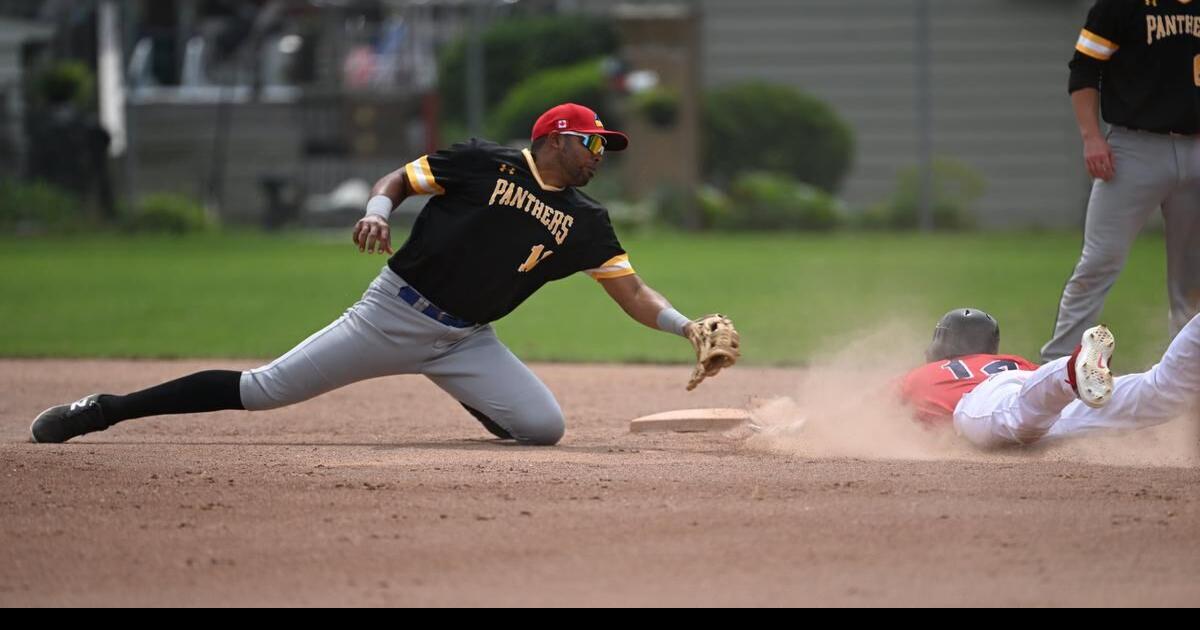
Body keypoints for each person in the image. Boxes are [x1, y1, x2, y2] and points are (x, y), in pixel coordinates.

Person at [30, 103, 740, 447]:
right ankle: (108, 408)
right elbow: (401, 178)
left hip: (467, 339)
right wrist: (376, 209)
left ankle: (466, 387)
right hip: (392, 314)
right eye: (593, 142)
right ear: (556, 137)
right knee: (263, 389)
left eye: (604, 147)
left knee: (543, 430)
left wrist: (685, 327)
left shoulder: (586, 220)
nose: (600, 155)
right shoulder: (482, 162)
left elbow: (633, 292)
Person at [1042, 0, 1200, 362]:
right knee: (1099, 261)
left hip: (1196, 147)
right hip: (1133, 148)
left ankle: (1187, 375)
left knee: (1192, 277)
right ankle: (1055, 368)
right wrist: (1091, 137)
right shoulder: (1120, 4)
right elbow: (1084, 69)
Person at [902, 307, 1198, 449]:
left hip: (986, 403)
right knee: (1161, 391)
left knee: (1016, 415)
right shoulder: (1013, 362)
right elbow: (1043, 389)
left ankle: (1069, 371)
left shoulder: (922, 375)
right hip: (1048, 400)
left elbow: (877, 412)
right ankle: (1071, 374)